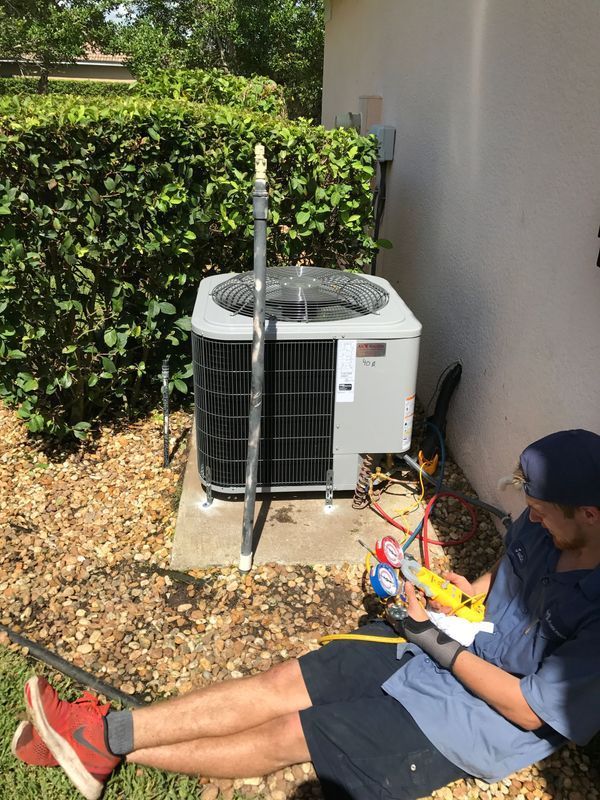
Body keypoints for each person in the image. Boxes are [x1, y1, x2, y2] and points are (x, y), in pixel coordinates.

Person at [11, 429, 600, 800]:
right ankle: (99, 740)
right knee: (279, 685)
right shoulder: (546, 525)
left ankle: (95, 743)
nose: (533, 520)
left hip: (475, 719)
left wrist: (430, 635)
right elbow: (505, 571)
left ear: (591, 515)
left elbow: (526, 709)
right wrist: (464, 593)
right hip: (439, 644)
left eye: (545, 512)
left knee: (291, 735)